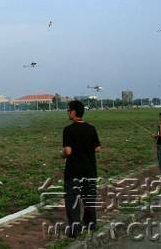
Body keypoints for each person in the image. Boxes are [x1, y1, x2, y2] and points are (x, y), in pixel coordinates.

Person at [62, 100, 102, 238]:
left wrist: (62, 154)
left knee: (72, 200)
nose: (67, 112)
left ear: (73, 112)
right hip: (89, 170)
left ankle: (75, 229)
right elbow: (98, 148)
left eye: (68, 110)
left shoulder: (68, 130)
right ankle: (91, 224)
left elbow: (68, 151)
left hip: (73, 171)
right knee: (89, 199)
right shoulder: (91, 128)